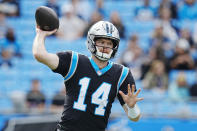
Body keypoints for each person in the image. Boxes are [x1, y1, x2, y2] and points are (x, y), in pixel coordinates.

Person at [33, 21, 144, 131]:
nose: (105, 47)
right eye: (101, 42)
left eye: (109, 43)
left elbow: (134, 117)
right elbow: (40, 55)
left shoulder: (122, 74)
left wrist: (132, 107)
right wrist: (40, 34)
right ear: (92, 41)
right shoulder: (74, 61)